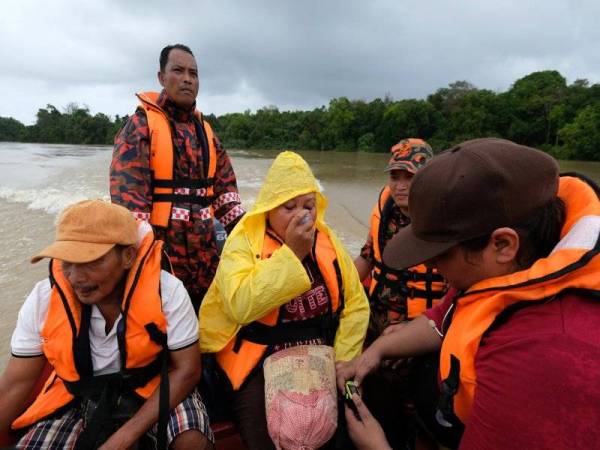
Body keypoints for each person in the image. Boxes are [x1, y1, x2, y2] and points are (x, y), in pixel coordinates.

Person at [338, 138, 600, 450]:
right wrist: (376, 351)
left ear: (502, 244)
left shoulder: (545, 359)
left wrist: (377, 447)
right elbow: (443, 317)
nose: (430, 265)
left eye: (440, 255)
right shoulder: (511, 272)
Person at [0, 200, 213, 449]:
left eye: (91, 261)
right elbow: (16, 383)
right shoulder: (43, 299)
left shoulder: (166, 291)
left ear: (127, 256)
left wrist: (123, 437)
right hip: (78, 393)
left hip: (154, 384)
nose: (76, 277)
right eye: (67, 262)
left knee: (191, 441)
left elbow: (187, 371)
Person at [199, 151, 370, 449]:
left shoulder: (328, 242)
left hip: (321, 351)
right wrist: (292, 255)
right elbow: (240, 304)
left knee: (344, 426)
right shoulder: (243, 241)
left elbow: (355, 303)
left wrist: (343, 359)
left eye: (308, 206)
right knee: (263, 435)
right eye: (288, 207)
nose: (301, 215)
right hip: (257, 356)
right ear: (268, 208)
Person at [110, 43, 244, 312]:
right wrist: (143, 266)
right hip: (161, 263)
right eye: (178, 71)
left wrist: (252, 236)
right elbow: (130, 206)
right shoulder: (140, 127)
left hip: (206, 263)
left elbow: (227, 198)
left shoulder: (206, 132)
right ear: (161, 77)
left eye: (193, 73)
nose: (187, 79)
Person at [353, 138, 446, 449]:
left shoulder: (446, 220)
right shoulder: (384, 207)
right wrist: (336, 287)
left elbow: (459, 292)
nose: (401, 186)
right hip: (378, 315)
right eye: (395, 176)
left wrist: (410, 330)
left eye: (411, 177)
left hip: (425, 326)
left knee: (417, 406)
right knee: (361, 382)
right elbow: (368, 257)